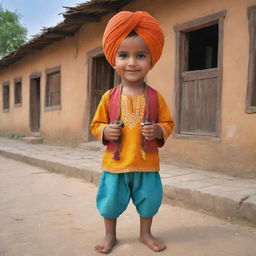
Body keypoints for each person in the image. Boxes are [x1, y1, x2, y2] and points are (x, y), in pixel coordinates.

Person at [90, 11, 175, 254]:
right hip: (115, 165)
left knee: (149, 200)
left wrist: (158, 129)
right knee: (110, 201)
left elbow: (168, 123)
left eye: (140, 55)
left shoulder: (155, 97)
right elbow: (96, 125)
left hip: (146, 164)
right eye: (124, 55)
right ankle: (110, 235)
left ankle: (145, 233)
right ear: (113, 59)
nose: (132, 62)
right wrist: (106, 131)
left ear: (151, 59)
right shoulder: (109, 97)